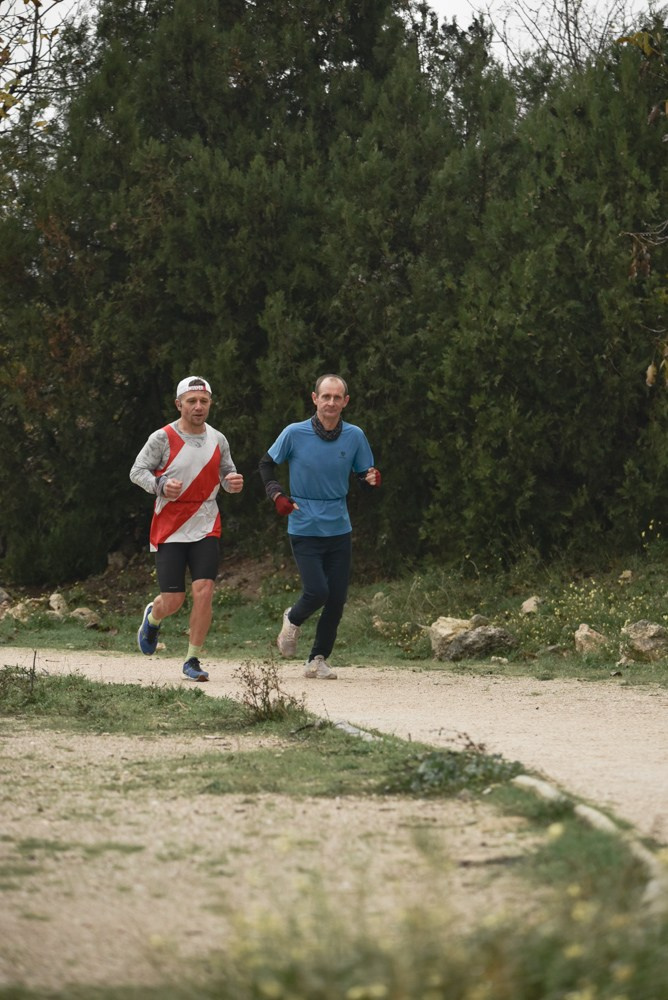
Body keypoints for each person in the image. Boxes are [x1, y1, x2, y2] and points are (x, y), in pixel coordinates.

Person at [259, 374, 381, 679]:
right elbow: (266, 463)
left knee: (336, 598)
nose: (330, 402)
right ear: (314, 399)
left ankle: (318, 658)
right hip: (303, 523)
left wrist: (370, 480)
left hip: (338, 526)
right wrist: (277, 494)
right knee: (317, 591)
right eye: (325, 396)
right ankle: (293, 618)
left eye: (336, 397)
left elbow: (363, 476)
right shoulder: (294, 433)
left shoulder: (355, 436)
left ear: (345, 402)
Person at [130, 375, 244, 681]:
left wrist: (232, 483)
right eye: (191, 401)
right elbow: (136, 471)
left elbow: (227, 474)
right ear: (179, 404)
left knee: (204, 590)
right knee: (174, 600)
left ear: (210, 404)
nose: (198, 406)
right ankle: (153, 618)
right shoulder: (162, 438)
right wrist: (159, 484)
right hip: (170, 525)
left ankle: (192, 660)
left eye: (203, 401)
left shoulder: (218, 439)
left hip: (206, 523)